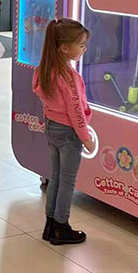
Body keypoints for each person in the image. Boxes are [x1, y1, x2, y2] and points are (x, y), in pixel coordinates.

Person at [33, 18, 93, 245]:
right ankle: (61, 226)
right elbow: (75, 109)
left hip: (52, 127)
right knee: (68, 180)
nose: (84, 49)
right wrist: (85, 137)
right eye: (81, 44)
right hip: (68, 133)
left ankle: (50, 224)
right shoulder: (68, 77)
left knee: (56, 177)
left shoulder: (44, 70)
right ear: (64, 48)